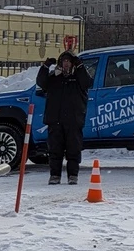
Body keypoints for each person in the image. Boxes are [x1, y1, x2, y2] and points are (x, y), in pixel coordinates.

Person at [36, 51, 93, 184]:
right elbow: (41, 82)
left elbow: (87, 83)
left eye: (69, 61)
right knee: (55, 150)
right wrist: (45, 67)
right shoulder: (54, 78)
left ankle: (73, 175)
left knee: (74, 149)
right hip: (55, 120)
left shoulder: (78, 78)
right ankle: (55, 175)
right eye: (64, 61)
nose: (66, 64)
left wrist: (80, 66)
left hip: (73, 121)